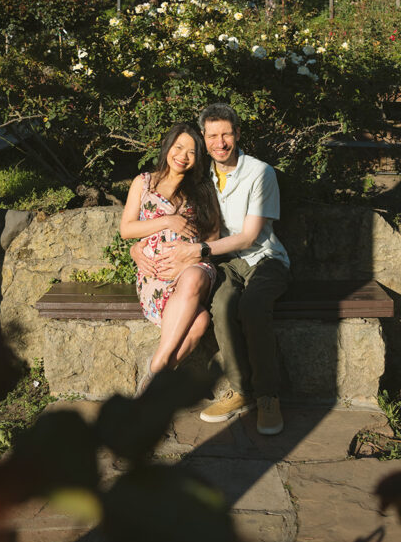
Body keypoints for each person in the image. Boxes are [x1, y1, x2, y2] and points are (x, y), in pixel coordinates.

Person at [136, 102, 290, 435]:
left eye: (226, 135)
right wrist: (137, 248)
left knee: (253, 306)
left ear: (237, 135)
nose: (219, 143)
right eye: (212, 135)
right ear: (204, 138)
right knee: (220, 306)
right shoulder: (200, 176)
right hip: (224, 263)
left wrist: (198, 249)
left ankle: (267, 395)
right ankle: (240, 392)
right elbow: (161, 216)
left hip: (264, 258)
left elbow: (249, 236)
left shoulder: (260, 173)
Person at [120, 122, 220, 393]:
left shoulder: (202, 189)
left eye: (191, 152)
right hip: (155, 275)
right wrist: (167, 221)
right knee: (200, 322)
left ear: (198, 158)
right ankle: (160, 384)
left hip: (194, 267)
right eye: (179, 147)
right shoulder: (144, 183)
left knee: (194, 277)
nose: (183, 156)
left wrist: (190, 258)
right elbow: (127, 229)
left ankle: (157, 366)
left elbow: (213, 237)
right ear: (168, 146)